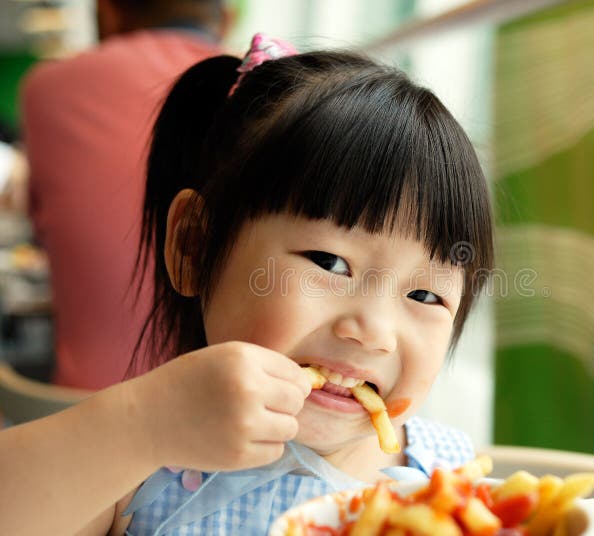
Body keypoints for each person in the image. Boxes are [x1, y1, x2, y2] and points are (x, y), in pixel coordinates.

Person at [0, 36, 494, 535]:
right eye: (329, 262)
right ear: (194, 247)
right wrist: (141, 426)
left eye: (425, 296)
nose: (373, 332)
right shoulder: (142, 465)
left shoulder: (446, 481)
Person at [20, 0, 230, 389]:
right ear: (226, 19)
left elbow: (40, 228)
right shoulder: (264, 88)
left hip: (80, 410)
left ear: (108, 12)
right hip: (230, 408)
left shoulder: (47, 88)